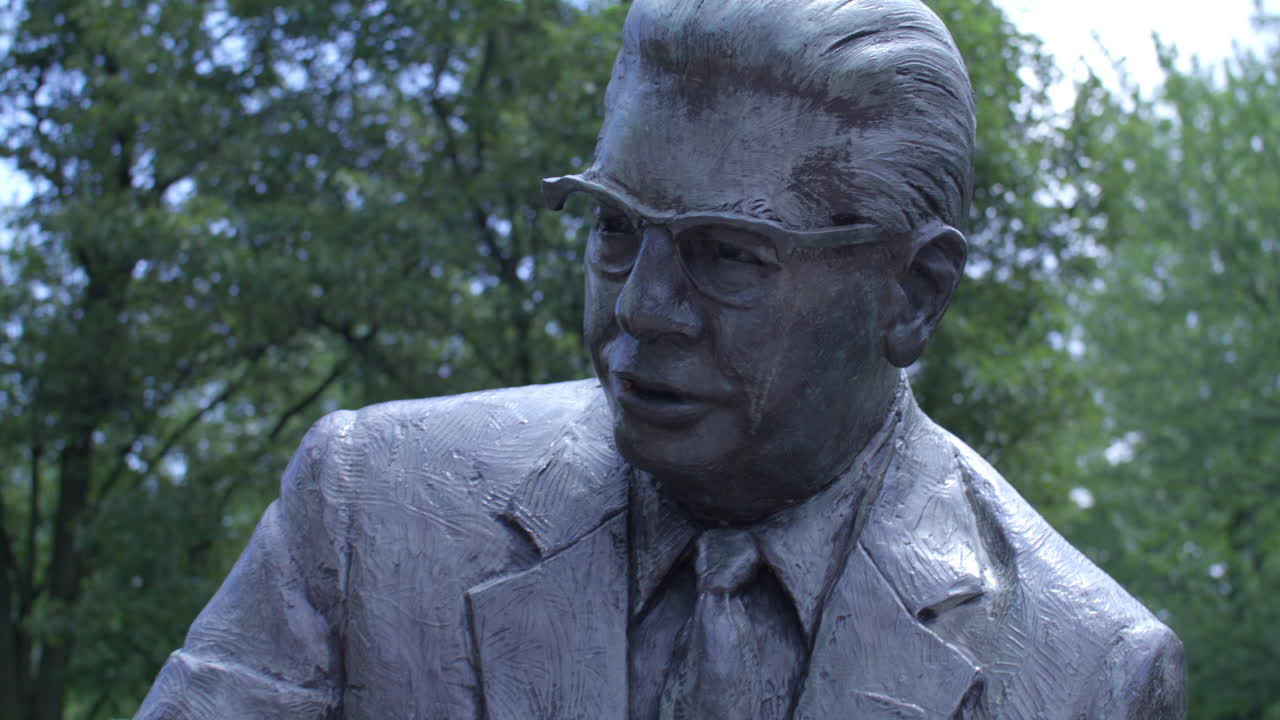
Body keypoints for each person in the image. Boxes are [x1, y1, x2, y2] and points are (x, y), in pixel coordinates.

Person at [135, 1, 1186, 718]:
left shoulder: (1083, 669)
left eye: (725, 254)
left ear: (909, 295)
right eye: (612, 228)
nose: (638, 307)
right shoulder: (370, 509)